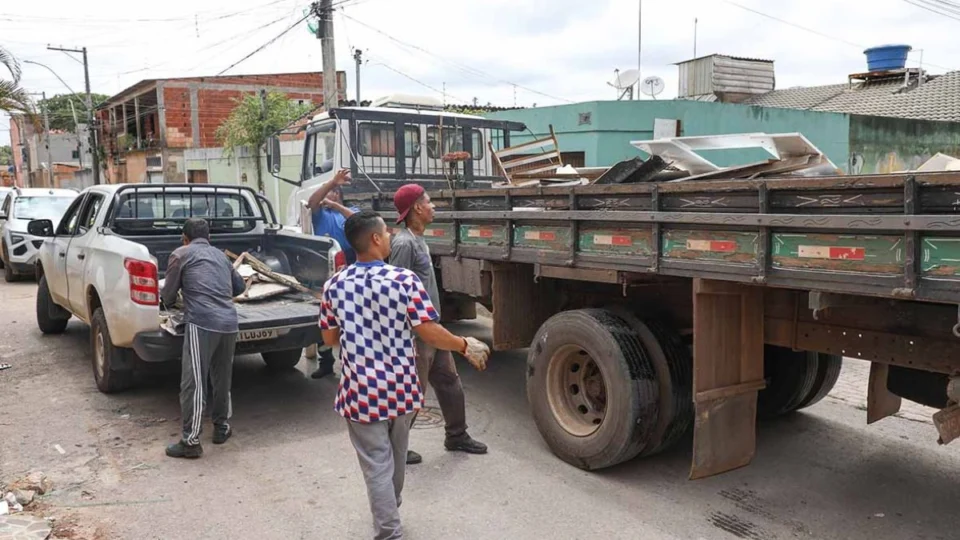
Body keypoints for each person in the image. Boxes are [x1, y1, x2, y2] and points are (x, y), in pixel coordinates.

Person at [320, 210, 490, 540]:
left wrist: (357, 330)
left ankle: (388, 526)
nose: (391, 238)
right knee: (395, 461)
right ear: (374, 239)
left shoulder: (334, 284)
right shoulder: (404, 280)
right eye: (386, 233)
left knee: (376, 464)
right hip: (401, 388)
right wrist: (463, 344)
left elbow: (329, 339)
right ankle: (390, 514)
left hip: (361, 393)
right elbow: (427, 330)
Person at [390, 184, 488, 465]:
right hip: (418, 331)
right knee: (412, 393)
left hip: (433, 327)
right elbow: (398, 291)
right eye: (430, 202)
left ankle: (456, 436)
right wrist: (408, 333)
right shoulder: (404, 243)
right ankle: (396, 448)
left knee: (449, 382)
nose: (434, 207)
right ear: (417, 208)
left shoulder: (418, 239)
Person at [160, 218, 246, 459]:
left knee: (194, 382)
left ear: (184, 238)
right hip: (229, 323)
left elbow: (167, 294)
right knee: (222, 378)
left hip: (202, 322)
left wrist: (170, 299)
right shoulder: (221, 256)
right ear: (208, 237)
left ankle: (190, 441)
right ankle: (221, 427)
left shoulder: (181, 254)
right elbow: (239, 288)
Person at [305, 168, 359, 380]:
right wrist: (330, 182)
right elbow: (311, 202)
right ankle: (326, 362)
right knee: (326, 319)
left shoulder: (348, 211)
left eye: (336, 191)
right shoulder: (320, 215)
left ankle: (352, 364)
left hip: (351, 265)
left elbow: (359, 219)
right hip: (326, 268)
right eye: (330, 191)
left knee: (350, 320)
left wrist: (336, 205)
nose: (332, 194)